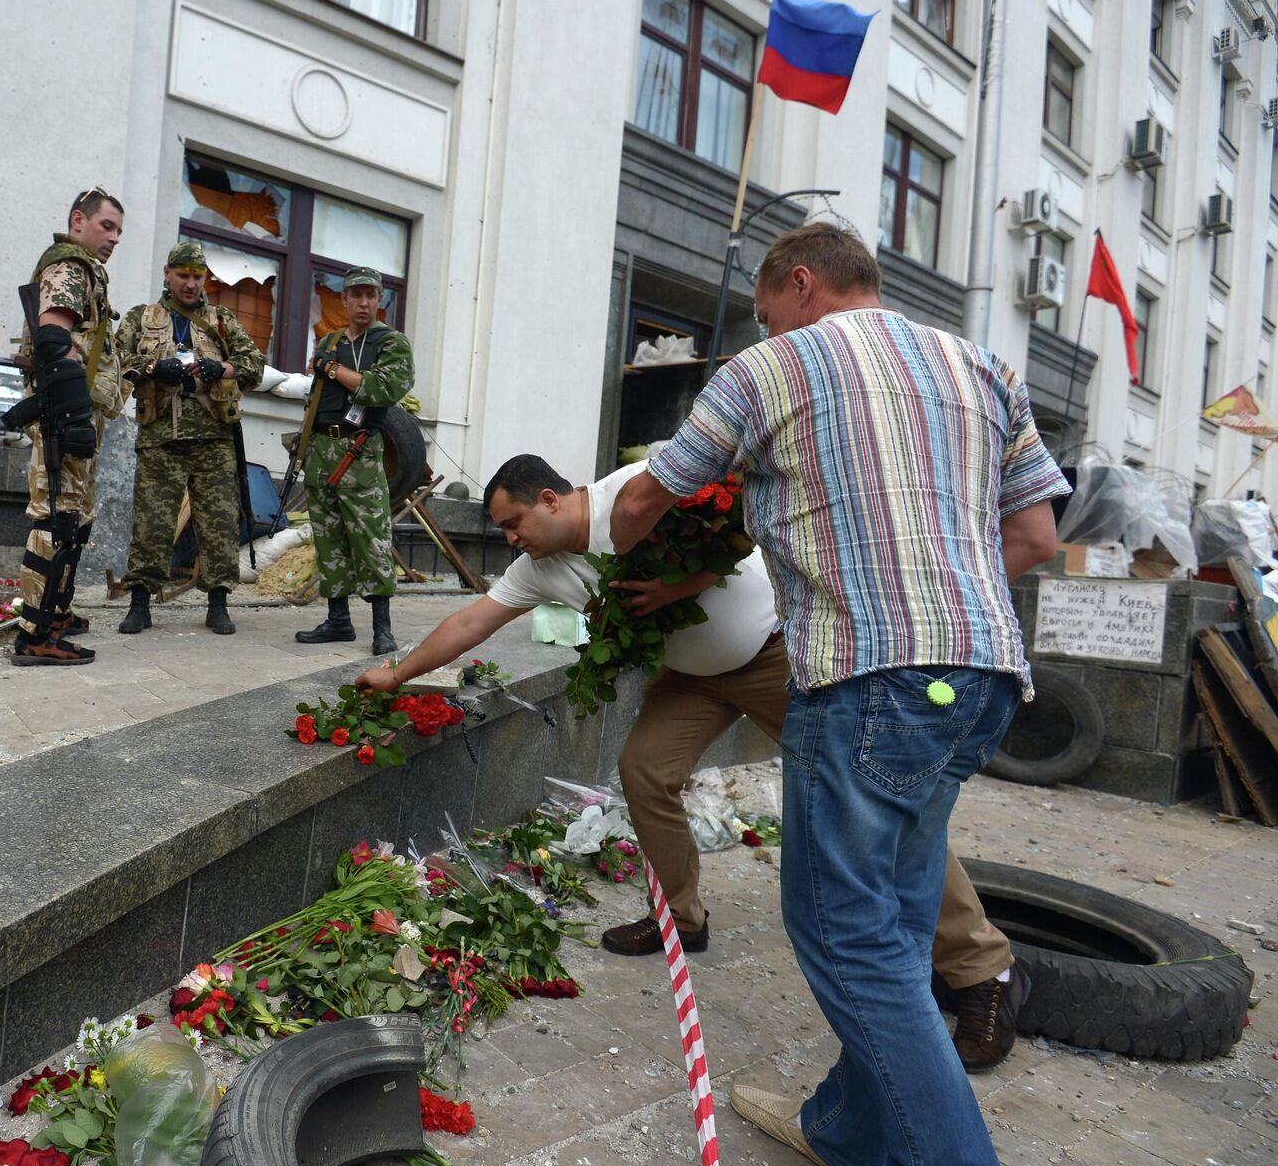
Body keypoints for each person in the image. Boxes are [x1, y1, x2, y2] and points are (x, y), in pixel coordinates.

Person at [608, 222, 1069, 1166]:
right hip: (982, 677)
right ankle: (847, 1133)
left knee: (844, 932)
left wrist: (620, 537)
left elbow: (650, 490)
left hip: (867, 680)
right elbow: (1036, 532)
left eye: (770, 309)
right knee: (895, 924)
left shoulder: (769, 367)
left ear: (801, 285)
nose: (767, 326)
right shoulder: (982, 364)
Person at [357, 451, 1029, 1073]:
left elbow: (764, 514)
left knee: (870, 798)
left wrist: (687, 585)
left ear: (551, 500)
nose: (510, 539)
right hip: (692, 677)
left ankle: (983, 970)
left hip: (778, 657)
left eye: (513, 523)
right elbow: (471, 622)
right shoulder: (536, 569)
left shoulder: (644, 489)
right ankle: (681, 917)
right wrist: (397, 672)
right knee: (645, 768)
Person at [116, 241, 265, 635]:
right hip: (160, 437)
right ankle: (140, 603)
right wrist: (152, 366)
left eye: (197, 276)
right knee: (151, 523)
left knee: (218, 525)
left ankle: (218, 603)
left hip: (214, 439)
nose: (190, 284)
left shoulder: (221, 320)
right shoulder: (142, 317)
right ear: (167, 273)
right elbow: (116, 359)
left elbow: (255, 365)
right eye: (183, 275)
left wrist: (223, 368)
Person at [13, 187, 130, 668]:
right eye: (107, 226)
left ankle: (55, 614)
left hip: (78, 412)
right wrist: (73, 414)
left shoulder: (87, 272)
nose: (114, 238)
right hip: (65, 415)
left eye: (120, 231)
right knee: (54, 517)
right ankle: (33, 634)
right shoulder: (70, 265)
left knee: (75, 518)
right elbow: (54, 337)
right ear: (78, 221)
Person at [293, 266, 415, 656]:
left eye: (371, 295)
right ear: (343, 299)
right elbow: (316, 398)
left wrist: (334, 369)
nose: (363, 302)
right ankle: (338, 620)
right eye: (355, 295)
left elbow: (383, 388)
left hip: (359, 451)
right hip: (321, 449)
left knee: (372, 538)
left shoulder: (391, 343)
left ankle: (382, 628)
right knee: (329, 538)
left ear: (380, 301)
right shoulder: (328, 341)